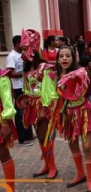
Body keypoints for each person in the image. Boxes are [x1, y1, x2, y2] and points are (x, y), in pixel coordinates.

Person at [56, 46, 91, 192]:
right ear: (58, 59)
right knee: (73, 145)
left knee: (87, 146)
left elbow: (89, 90)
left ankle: (90, 180)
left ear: (73, 58)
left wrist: (81, 79)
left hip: (83, 111)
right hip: (68, 114)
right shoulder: (55, 76)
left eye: (68, 56)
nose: (64, 58)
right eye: (61, 56)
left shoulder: (81, 72)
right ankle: (80, 174)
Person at [20, 29, 58, 179]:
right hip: (32, 106)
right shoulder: (26, 67)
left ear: (33, 49)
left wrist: (44, 109)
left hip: (43, 106)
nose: (22, 52)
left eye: (24, 49)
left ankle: (53, 167)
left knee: (45, 136)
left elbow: (50, 91)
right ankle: (47, 165)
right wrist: (25, 98)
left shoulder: (44, 67)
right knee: (41, 137)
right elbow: (28, 87)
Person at [6, 35, 33, 146]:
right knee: (20, 112)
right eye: (23, 43)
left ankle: (29, 135)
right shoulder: (11, 56)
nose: (25, 45)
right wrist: (23, 74)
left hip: (26, 87)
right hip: (18, 88)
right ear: (17, 43)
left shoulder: (23, 55)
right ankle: (22, 138)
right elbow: (10, 73)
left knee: (27, 110)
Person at [0, 68, 18, 192]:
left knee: (3, 154)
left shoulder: (2, 77)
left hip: (0, 121)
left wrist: (5, 124)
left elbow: (7, 102)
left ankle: (11, 190)